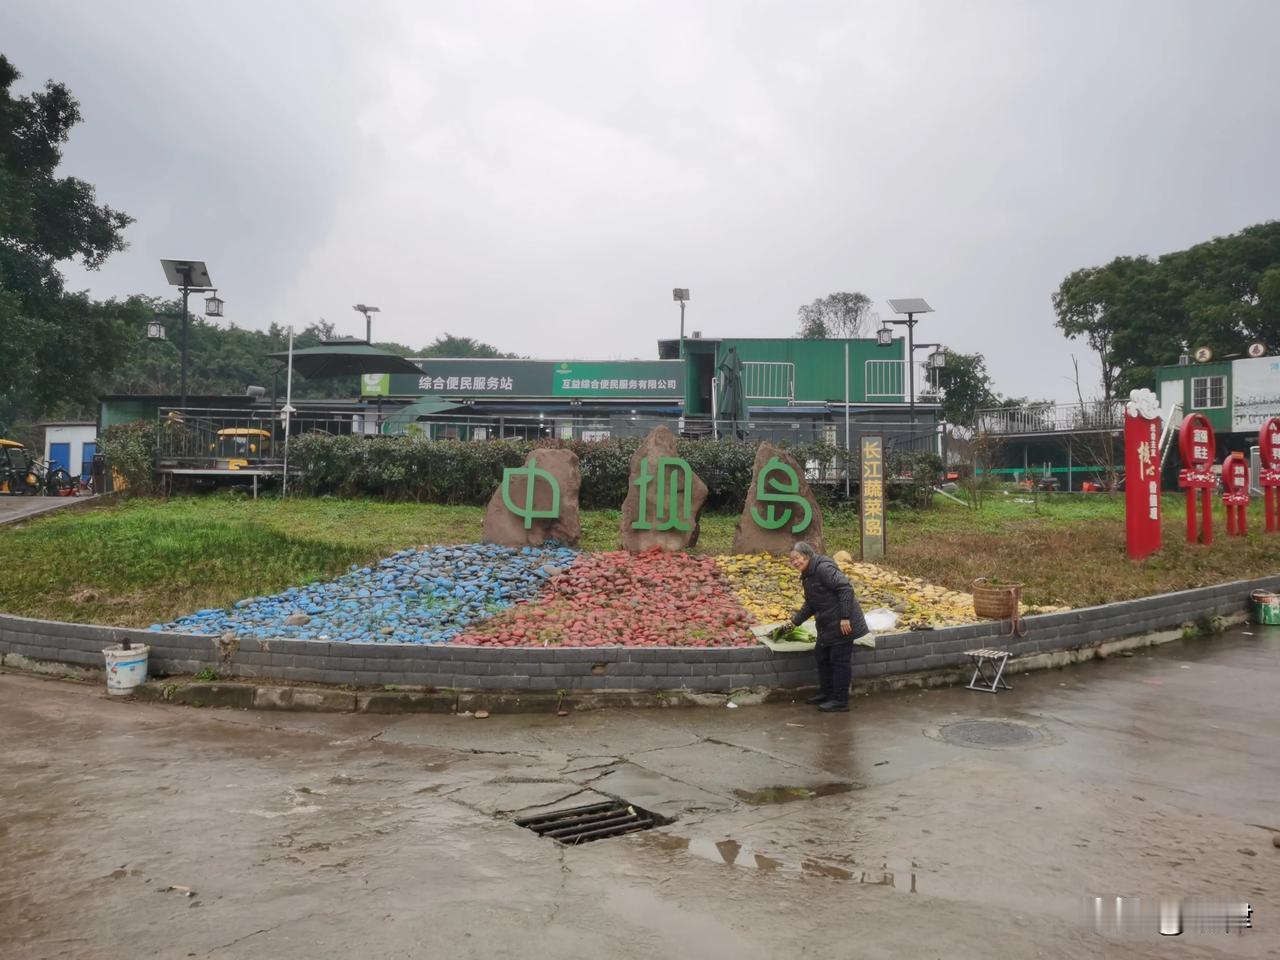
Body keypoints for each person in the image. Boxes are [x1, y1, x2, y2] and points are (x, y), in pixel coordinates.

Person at [788, 541, 868, 712]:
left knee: (840, 661)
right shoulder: (808, 575)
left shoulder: (823, 568)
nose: (795, 562)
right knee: (822, 656)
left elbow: (845, 589)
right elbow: (811, 603)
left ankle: (840, 701)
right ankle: (827, 693)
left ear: (807, 555)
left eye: (798, 558)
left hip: (843, 622)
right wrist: (795, 622)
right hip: (828, 623)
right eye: (792, 560)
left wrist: (845, 617)